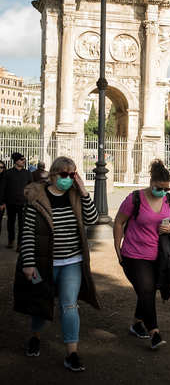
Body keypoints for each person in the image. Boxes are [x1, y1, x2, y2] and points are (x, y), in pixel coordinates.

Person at [16, 156, 99, 371]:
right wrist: (28, 263)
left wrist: (85, 192)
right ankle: (35, 336)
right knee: (41, 302)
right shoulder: (36, 197)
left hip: (72, 261)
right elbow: (27, 234)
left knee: (69, 305)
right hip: (45, 262)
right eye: (64, 175)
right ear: (53, 175)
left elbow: (92, 220)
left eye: (72, 175)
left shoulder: (76, 196)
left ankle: (72, 353)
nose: (68, 179)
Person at [113, 159, 170, 350]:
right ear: (151, 182)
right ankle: (154, 332)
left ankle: (136, 323)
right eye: (159, 188)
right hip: (134, 254)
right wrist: (118, 248)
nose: (163, 192)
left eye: (166, 189)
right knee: (147, 289)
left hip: (159, 255)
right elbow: (118, 222)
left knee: (147, 290)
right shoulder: (135, 198)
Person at [0, 152, 33, 249]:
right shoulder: (8, 173)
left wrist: (31, 200)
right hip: (11, 203)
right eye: (21, 159)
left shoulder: (27, 173)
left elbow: (31, 188)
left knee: (22, 225)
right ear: (16, 161)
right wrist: (2, 202)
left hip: (23, 203)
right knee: (10, 223)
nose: (24, 161)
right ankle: (11, 241)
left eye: (24, 159)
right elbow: (3, 188)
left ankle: (20, 244)